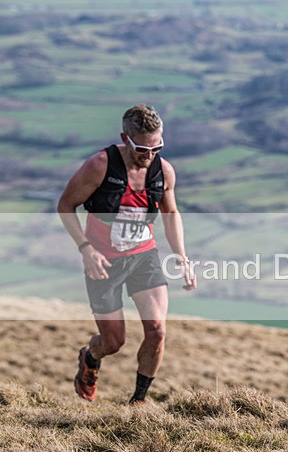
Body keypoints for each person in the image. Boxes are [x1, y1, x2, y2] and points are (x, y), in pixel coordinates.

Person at [57, 104, 196, 405]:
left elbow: (171, 214)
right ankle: (90, 358)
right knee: (113, 342)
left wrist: (181, 256)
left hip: (143, 256)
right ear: (125, 138)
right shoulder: (99, 166)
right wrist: (86, 248)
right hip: (104, 262)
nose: (149, 156)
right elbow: (65, 206)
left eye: (156, 148)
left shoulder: (164, 171)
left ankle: (139, 402)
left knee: (157, 330)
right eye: (142, 149)